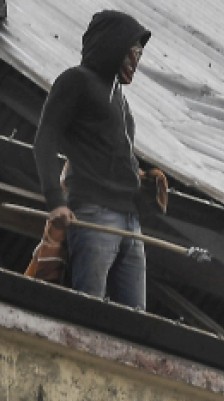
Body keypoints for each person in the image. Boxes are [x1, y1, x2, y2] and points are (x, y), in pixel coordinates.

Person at [34, 11, 160, 308]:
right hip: (94, 213)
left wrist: (141, 179)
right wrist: (55, 200)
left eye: (140, 52)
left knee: (135, 317)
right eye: (134, 50)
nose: (137, 59)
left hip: (128, 219)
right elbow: (45, 140)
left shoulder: (120, 99)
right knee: (90, 308)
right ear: (114, 45)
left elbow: (110, 153)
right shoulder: (76, 80)